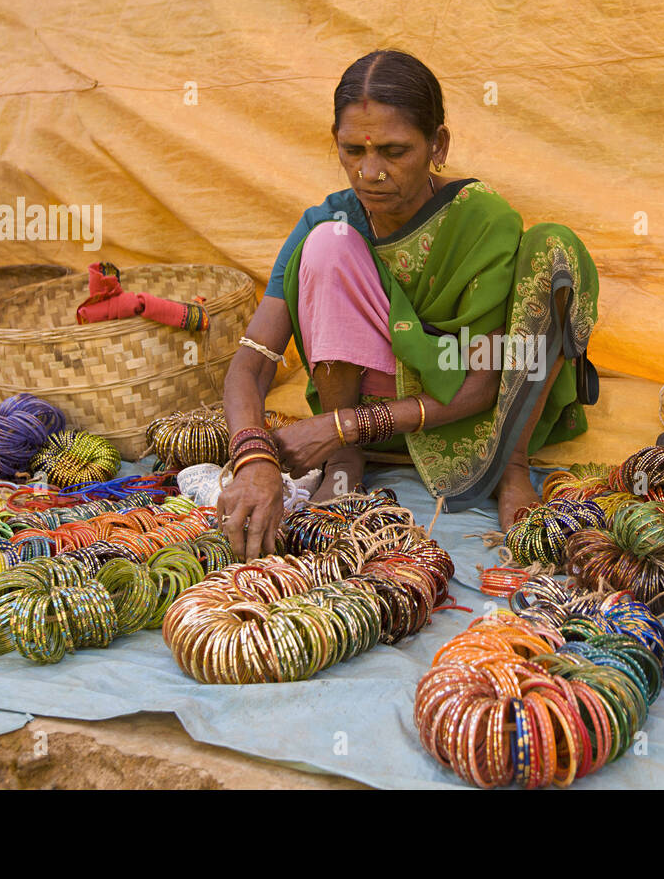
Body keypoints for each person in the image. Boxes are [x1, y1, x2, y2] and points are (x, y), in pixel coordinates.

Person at [217, 49, 599, 560]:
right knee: (329, 243)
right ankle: (345, 462)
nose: (369, 172)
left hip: (471, 408)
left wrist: (339, 425)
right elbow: (250, 364)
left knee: (556, 247)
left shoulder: (481, 219)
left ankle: (512, 464)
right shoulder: (327, 221)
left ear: (438, 144)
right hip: (358, 409)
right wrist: (254, 461)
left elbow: (479, 383)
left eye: (394, 152)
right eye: (352, 151)